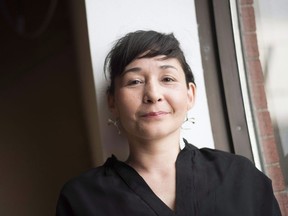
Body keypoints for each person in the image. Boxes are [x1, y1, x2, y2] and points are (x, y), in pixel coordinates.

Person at [56, 30, 281, 216]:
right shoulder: (83, 199)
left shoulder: (239, 177)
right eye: (135, 81)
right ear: (112, 101)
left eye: (167, 79)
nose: (153, 94)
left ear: (190, 94)